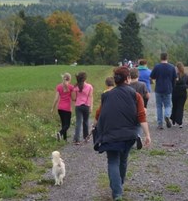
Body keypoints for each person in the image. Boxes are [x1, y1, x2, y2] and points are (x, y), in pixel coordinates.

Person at [94, 66, 152, 200]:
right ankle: (118, 185)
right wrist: (147, 135)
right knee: (123, 159)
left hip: (109, 134)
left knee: (113, 161)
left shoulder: (106, 95)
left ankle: (117, 192)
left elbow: (99, 114)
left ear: (116, 80)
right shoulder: (135, 95)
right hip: (128, 135)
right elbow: (141, 116)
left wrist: (94, 126)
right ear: (128, 79)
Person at [150, 52, 177, 129]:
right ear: (167, 58)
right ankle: (167, 115)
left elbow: (152, 77)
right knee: (168, 105)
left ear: (160, 58)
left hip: (158, 88)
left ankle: (160, 124)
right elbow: (174, 79)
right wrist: (172, 87)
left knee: (159, 106)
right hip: (168, 89)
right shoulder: (172, 67)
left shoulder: (157, 67)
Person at [71, 72, 94, 145]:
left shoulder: (76, 87)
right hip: (86, 105)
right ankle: (86, 137)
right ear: (85, 78)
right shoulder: (89, 86)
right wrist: (91, 107)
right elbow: (90, 97)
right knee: (86, 122)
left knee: (78, 122)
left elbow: (74, 98)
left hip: (78, 106)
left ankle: (76, 139)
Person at [51, 73, 74, 141]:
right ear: (69, 79)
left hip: (60, 108)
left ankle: (65, 139)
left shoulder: (59, 87)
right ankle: (59, 133)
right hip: (67, 108)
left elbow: (56, 99)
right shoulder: (71, 87)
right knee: (67, 125)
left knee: (63, 124)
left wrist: (53, 107)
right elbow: (73, 98)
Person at [170, 62, 188, 128]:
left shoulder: (174, 75)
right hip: (182, 93)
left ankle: (173, 121)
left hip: (174, 92)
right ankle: (179, 122)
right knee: (180, 107)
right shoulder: (185, 75)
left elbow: (171, 83)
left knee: (174, 106)